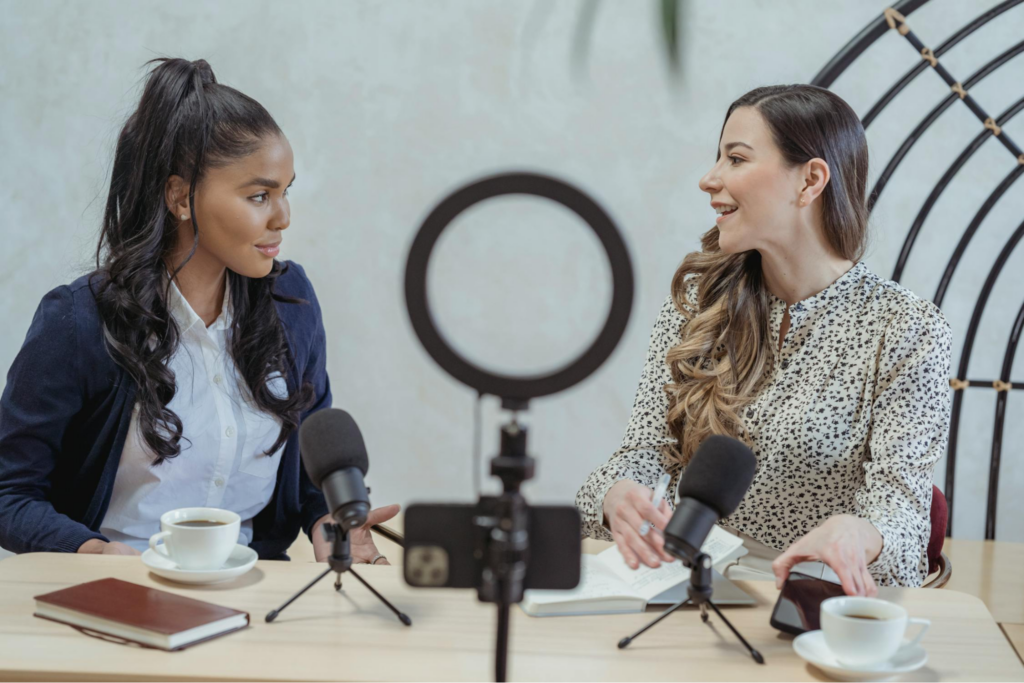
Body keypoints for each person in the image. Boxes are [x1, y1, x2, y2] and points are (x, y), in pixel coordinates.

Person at [0, 58, 397, 564]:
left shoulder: (290, 303)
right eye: (259, 195)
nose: (283, 217)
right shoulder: (78, 322)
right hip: (118, 593)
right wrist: (91, 550)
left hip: (252, 595)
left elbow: (309, 462)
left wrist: (328, 523)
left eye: (285, 191)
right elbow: (10, 493)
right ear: (180, 197)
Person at [576, 84, 953, 596]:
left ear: (811, 180)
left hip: (813, 601)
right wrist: (616, 494)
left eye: (735, 158)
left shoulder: (908, 328)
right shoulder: (698, 301)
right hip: (688, 588)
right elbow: (647, 449)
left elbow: (902, 506)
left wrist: (861, 533)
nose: (709, 179)